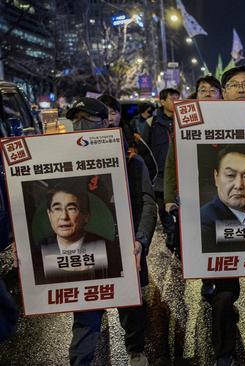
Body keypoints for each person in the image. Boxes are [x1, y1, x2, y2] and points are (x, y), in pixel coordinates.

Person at [190, 66, 245, 366]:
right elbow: (189, 165)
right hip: (220, 220)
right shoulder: (202, 122)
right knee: (224, 296)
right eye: (234, 85)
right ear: (223, 92)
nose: (241, 89)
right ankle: (223, 351)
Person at [64, 96, 156, 366]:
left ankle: (136, 351)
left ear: (106, 123)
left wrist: (140, 240)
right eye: (76, 121)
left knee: (131, 310)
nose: (81, 127)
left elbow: (147, 203)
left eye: (88, 120)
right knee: (85, 316)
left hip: (124, 249)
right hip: (84, 254)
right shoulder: (62, 160)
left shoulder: (130, 161)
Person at [39, 183, 122, 283]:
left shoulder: (108, 249)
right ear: (49, 214)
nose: (64, 217)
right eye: (57, 209)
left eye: (71, 209)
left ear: (86, 215)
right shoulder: (38, 252)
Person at [150, 88, 180, 249]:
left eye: (177, 98)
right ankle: (171, 237)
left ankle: (176, 239)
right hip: (160, 176)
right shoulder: (151, 123)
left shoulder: (184, 120)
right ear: (162, 102)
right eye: (172, 98)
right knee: (165, 211)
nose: (176, 101)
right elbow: (145, 150)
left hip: (180, 175)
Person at [130, 102, 156, 179]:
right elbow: (131, 134)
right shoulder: (135, 121)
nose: (151, 112)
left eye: (152, 110)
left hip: (152, 148)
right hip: (140, 149)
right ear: (143, 110)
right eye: (149, 111)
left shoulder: (154, 120)